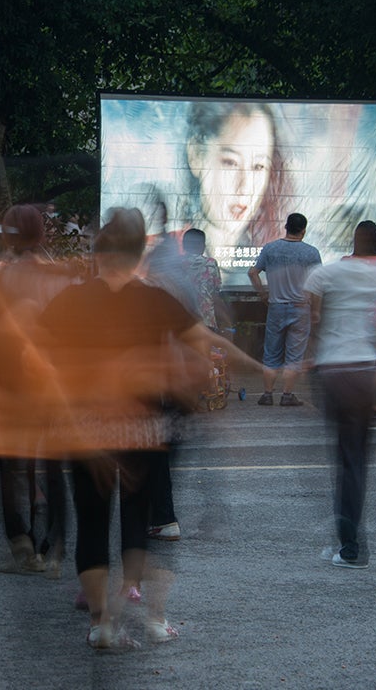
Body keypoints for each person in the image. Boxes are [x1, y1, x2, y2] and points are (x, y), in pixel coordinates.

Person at [39, 207, 259, 648]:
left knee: (92, 520)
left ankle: (100, 624)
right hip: (140, 429)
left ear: (98, 252)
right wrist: (260, 368)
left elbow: (37, 354)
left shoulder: (71, 300)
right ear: (138, 253)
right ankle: (129, 595)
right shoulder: (154, 300)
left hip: (85, 428)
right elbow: (206, 342)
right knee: (136, 516)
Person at [0, 203, 74, 576]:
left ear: (7, 237)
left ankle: (22, 545)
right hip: (54, 383)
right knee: (52, 465)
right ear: (42, 234)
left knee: (11, 467)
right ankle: (54, 548)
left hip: (10, 385)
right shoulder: (61, 278)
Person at [304, 220, 376, 568]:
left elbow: (313, 318)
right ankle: (351, 542)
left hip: (335, 370)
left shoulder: (325, 273)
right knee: (357, 460)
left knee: (343, 457)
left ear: (353, 241)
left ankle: (350, 545)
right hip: (365, 370)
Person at [184, 101, 288, 253]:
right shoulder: (166, 251)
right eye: (231, 163)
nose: (245, 188)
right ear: (196, 155)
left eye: (258, 166)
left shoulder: (269, 253)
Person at [248, 212, 322, 406]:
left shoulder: (270, 249)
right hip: (301, 309)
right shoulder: (311, 253)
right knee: (294, 356)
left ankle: (267, 394)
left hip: (276, 307)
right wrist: (316, 310)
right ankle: (287, 395)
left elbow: (253, 272)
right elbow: (317, 284)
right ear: (303, 231)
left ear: (286, 227)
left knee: (271, 353)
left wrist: (263, 294)